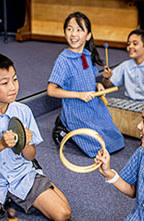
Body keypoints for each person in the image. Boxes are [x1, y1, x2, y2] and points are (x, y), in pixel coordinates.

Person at [0, 52, 72, 221]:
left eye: (14, 79)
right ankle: (5, 200)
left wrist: (25, 143)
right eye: (4, 83)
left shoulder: (23, 111)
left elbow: (30, 155)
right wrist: (0, 145)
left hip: (21, 176)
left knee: (63, 215)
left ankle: (37, 177)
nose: (13, 87)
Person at [48, 12, 125, 155]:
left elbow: (90, 79)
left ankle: (64, 123)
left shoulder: (87, 55)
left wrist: (98, 85)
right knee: (97, 148)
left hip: (93, 105)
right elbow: (51, 90)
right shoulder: (63, 60)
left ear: (88, 35)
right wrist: (79, 95)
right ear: (64, 33)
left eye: (79, 29)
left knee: (115, 139)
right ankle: (64, 125)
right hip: (76, 109)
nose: (73, 34)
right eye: (69, 29)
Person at [104, 29, 144, 101]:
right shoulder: (125, 65)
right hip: (129, 102)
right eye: (128, 44)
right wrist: (106, 78)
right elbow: (107, 84)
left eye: (135, 44)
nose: (130, 47)